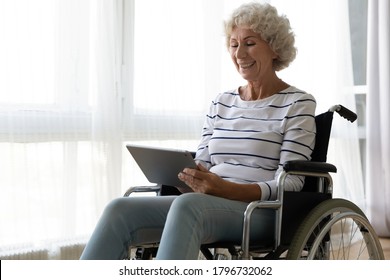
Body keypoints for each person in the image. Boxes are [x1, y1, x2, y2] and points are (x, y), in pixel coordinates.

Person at [80, 2, 316, 260]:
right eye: (234, 45)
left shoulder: (298, 103)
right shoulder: (221, 102)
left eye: (249, 43)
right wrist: (190, 176)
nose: (239, 54)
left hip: (261, 211)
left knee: (188, 206)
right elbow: (202, 161)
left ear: (274, 47)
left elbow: (292, 182)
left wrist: (225, 189)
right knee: (120, 209)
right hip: (204, 202)